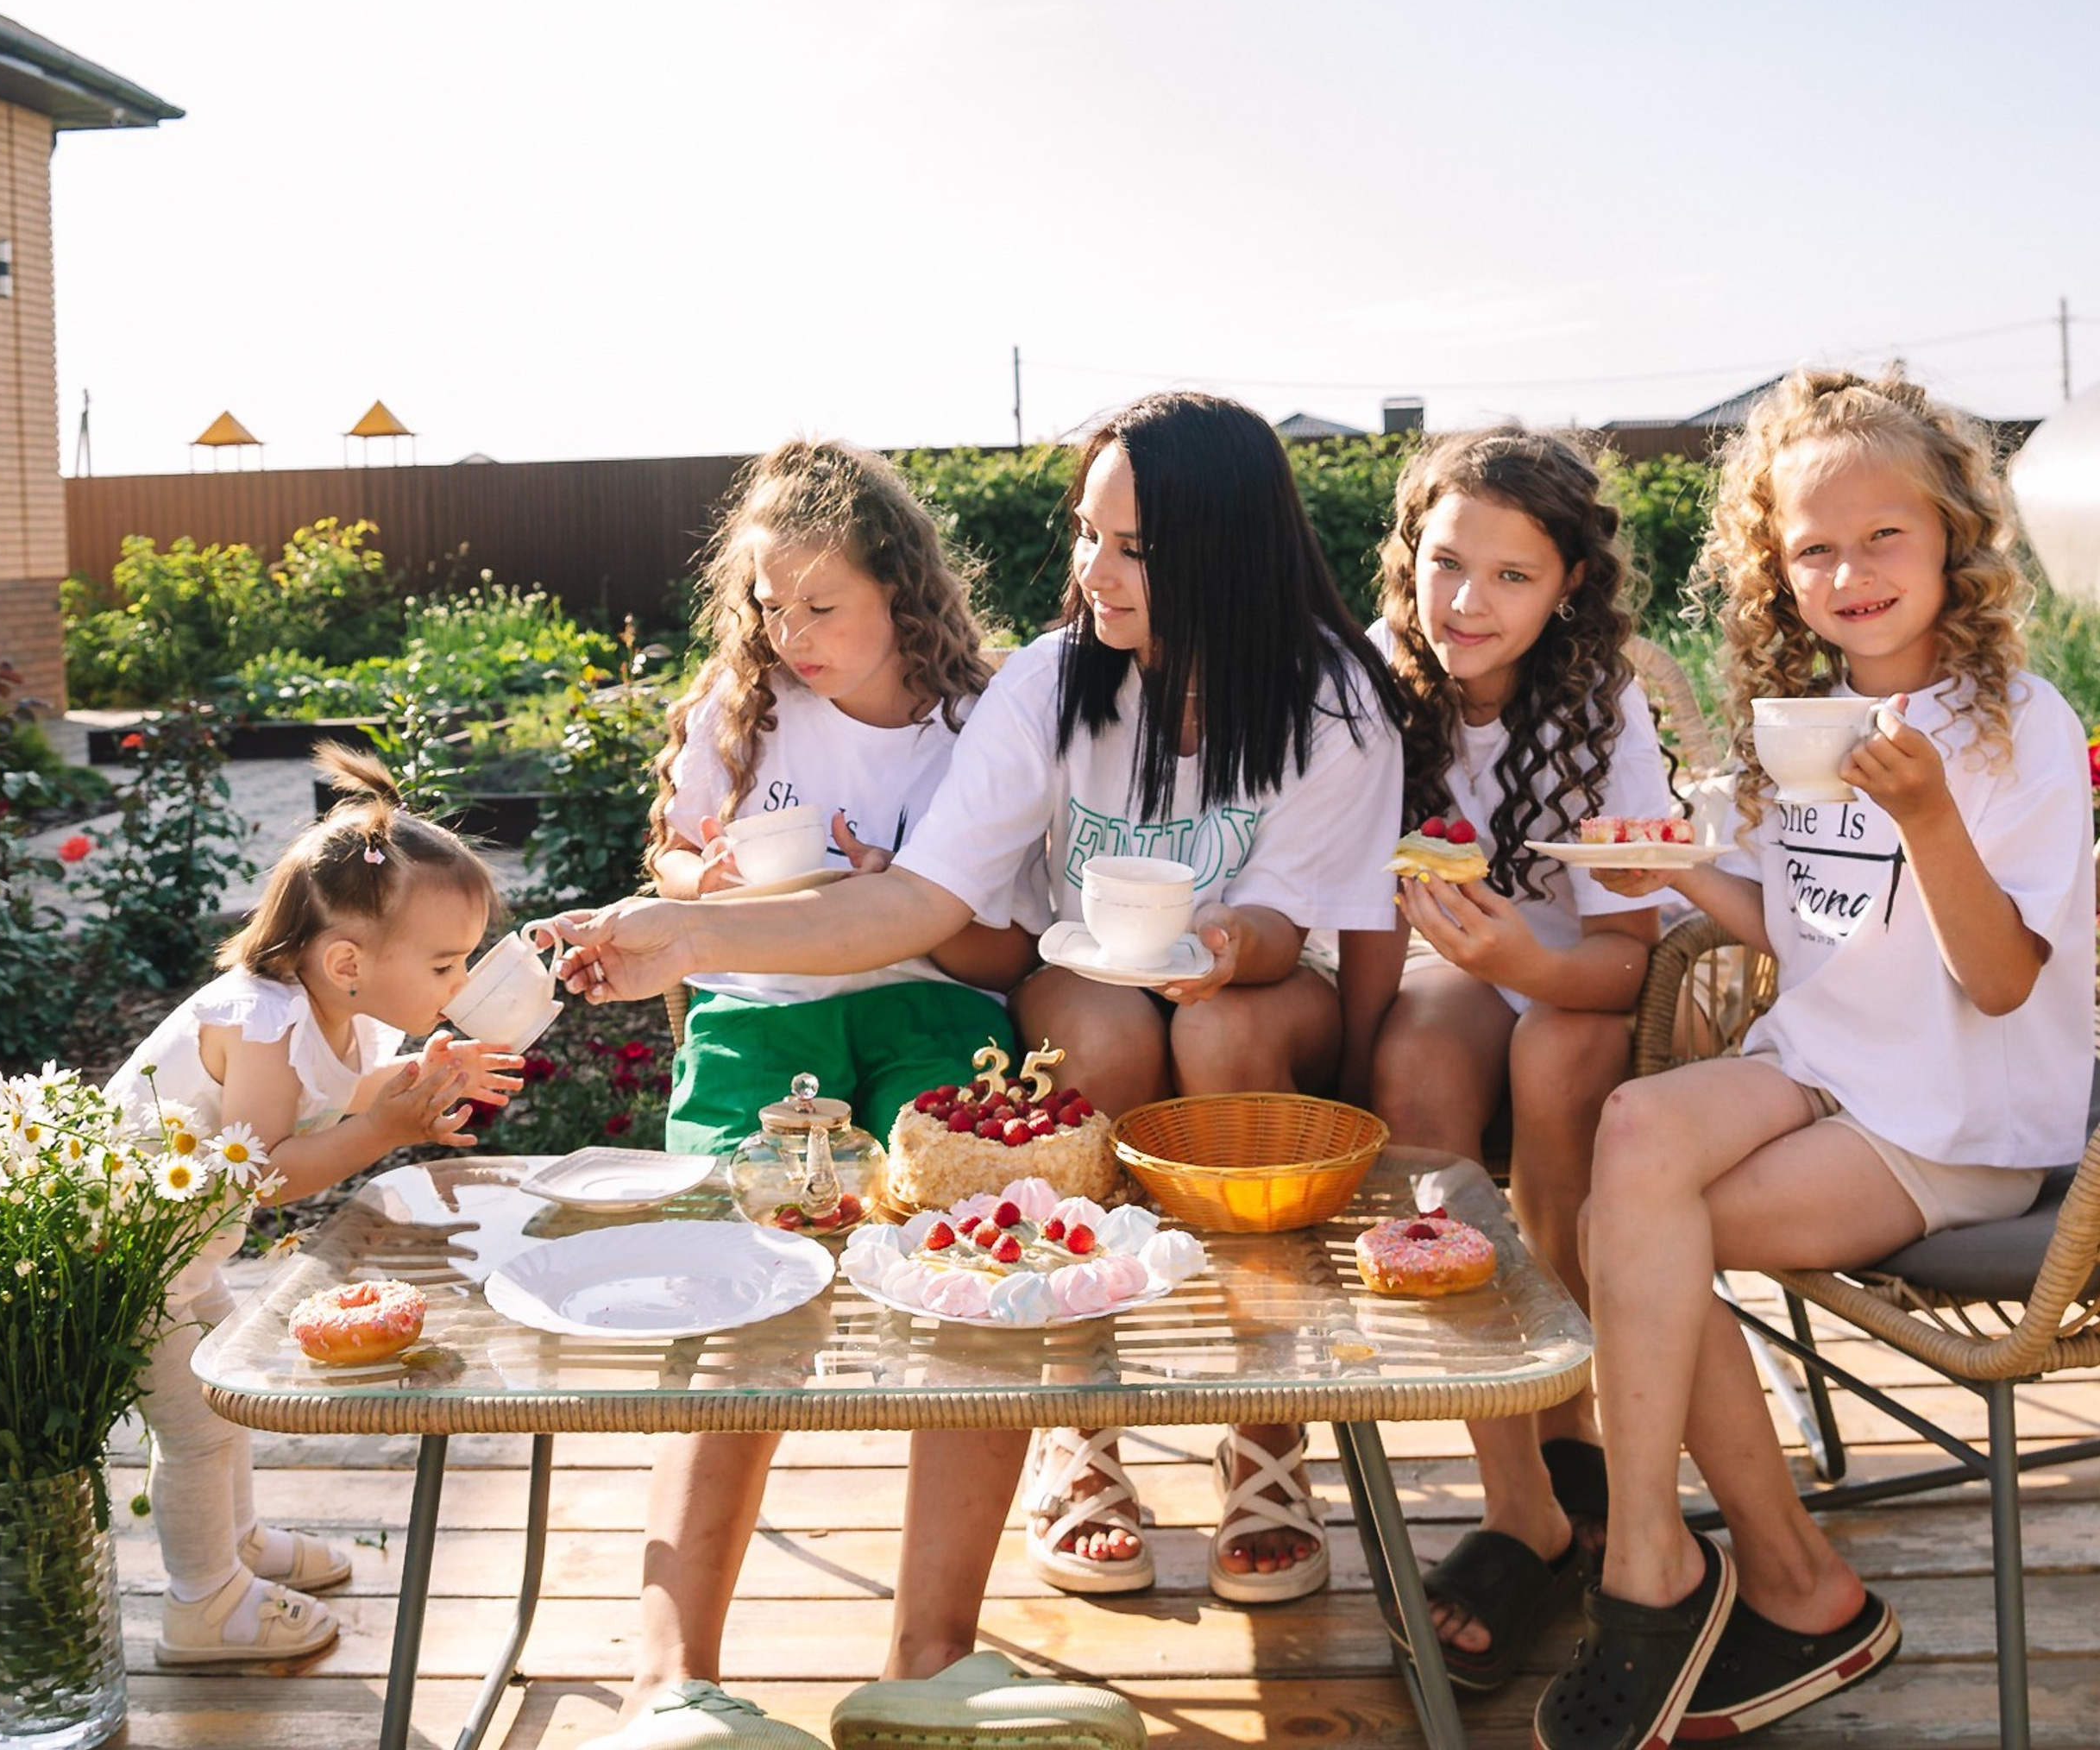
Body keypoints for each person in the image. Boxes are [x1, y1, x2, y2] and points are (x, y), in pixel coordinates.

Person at [558, 393, 1406, 1745]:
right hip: (1041, 996)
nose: (1092, 572)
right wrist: (688, 928)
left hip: (1222, 995)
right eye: (1086, 536)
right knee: (771, 1260)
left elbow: (1319, 922)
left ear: (1226, 549)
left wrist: (1250, 968)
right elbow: (925, 906)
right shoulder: (1046, 682)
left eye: (1131, 547)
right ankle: (673, 1688)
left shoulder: (1328, 695)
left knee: (1074, 1154)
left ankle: (949, 1644)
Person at [1533, 371, 2098, 1750]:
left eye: (1882, 537)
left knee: (1636, 1239)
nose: (1848, 572)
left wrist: (1934, 824)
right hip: (1829, 1058)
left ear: (1954, 539)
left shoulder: (2009, 724)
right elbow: (1813, 929)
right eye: (1813, 549)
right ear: (1776, 571)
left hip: (1961, 1118)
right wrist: (1682, 871)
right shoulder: (1808, 714)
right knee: (1640, 1137)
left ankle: (1723, 1580)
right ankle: (1671, 1564)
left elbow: (2003, 978)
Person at [605, 438, 1053, 1750]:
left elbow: (1002, 950)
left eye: (821, 606)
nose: (789, 634)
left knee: (981, 1264)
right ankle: (672, 1683)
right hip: (760, 1009)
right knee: (738, 1286)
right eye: (768, 606)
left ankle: (931, 1662)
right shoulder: (741, 710)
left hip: (939, 1008)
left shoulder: (980, 721)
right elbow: (677, 868)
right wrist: (736, 889)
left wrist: (893, 890)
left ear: (901, 590)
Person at [1355, 429, 1677, 1690]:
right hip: (1443, 985)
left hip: (1572, 986)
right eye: (1446, 564)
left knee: (1557, 1053)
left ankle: (1569, 1411)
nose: (1467, 604)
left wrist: (1519, 959)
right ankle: (1522, 1497)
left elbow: (1624, 958)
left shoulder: (1600, 706)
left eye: (1511, 577)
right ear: (1411, 561)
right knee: (1423, 1057)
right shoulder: (1374, 688)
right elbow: (1365, 927)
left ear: (1569, 589)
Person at [109, 747, 521, 1666]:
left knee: (221, 1404)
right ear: (346, 960)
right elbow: (259, 1168)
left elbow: (342, 1091)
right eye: (448, 964)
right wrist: (384, 1131)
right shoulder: (260, 1017)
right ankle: (202, 1604)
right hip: (122, 1253)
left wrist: (419, 1077)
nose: (461, 986)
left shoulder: (340, 1006)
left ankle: (237, 1547)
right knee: (198, 1424)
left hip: (183, 1254)